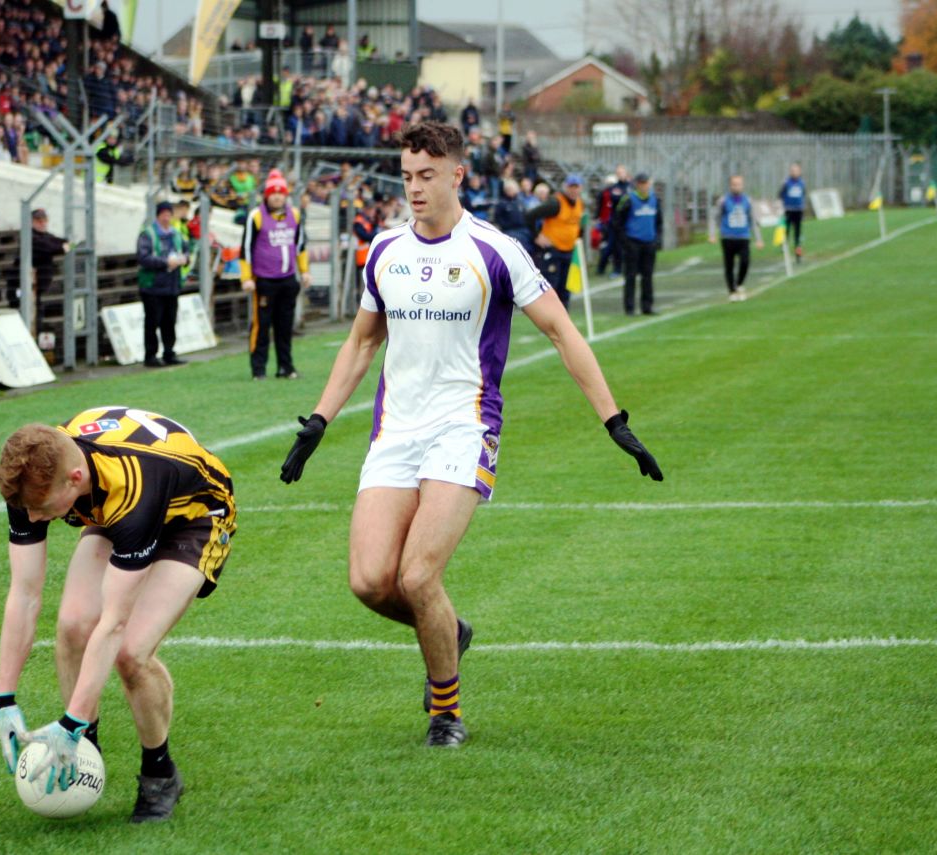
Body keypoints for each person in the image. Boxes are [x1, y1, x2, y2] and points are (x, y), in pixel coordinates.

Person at [278, 122, 663, 749]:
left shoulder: (496, 251)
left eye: (427, 176)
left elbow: (564, 334)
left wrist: (614, 420)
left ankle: (445, 712)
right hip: (395, 432)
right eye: (406, 177)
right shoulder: (385, 250)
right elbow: (362, 342)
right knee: (370, 581)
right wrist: (319, 421)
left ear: (459, 174)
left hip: (465, 427)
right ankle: (448, 629)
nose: (415, 189)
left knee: (418, 576)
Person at [0, 406, 237, 823]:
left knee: (130, 652)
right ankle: (87, 748)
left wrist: (70, 721)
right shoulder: (30, 478)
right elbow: (25, 593)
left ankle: (159, 773)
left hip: (197, 516)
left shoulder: (135, 488)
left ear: (74, 480)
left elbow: (114, 621)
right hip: (111, 507)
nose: (32, 518)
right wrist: (5, 700)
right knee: (72, 625)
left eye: (40, 509)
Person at [239, 169, 310, 380]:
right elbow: (245, 250)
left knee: (285, 326)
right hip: (264, 281)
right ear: (266, 195)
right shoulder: (256, 216)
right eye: (273, 192)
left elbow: (300, 246)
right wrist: (246, 278)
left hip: (288, 279)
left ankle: (285, 367)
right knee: (261, 327)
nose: (277, 196)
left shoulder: (294, 215)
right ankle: (258, 369)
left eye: (281, 192)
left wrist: (304, 271)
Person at [136, 201, 191, 368]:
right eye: (164, 214)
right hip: (153, 286)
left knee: (170, 321)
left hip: (172, 284)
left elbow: (187, 251)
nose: (167, 217)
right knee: (152, 321)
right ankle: (150, 355)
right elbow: (143, 258)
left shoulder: (176, 234)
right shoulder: (148, 235)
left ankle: (169, 352)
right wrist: (165, 262)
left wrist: (184, 259)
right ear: (158, 215)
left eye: (169, 214)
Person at [525, 173, 587, 309]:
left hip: (569, 250)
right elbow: (530, 215)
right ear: (566, 187)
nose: (574, 190)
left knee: (566, 287)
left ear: (581, 188)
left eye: (576, 187)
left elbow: (579, 224)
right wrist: (537, 236)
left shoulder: (580, 204)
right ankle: (549, 317)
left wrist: (578, 238)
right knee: (551, 287)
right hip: (553, 250)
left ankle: (564, 318)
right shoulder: (555, 203)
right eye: (571, 186)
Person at [7, 208, 70, 333]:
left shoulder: (45, 236)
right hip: (21, 286)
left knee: (36, 315)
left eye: (44, 220)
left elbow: (63, 243)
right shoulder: (30, 237)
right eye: (38, 220)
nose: (42, 223)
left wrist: (69, 246)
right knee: (25, 314)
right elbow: (51, 247)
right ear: (31, 222)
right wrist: (64, 248)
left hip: (36, 287)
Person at [611, 172, 662, 316]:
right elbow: (617, 222)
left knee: (648, 275)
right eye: (641, 183)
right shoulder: (628, 199)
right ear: (637, 184)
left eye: (646, 183)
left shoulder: (654, 199)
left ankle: (647, 306)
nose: (644, 186)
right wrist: (626, 241)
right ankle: (630, 307)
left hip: (649, 242)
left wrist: (656, 238)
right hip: (633, 242)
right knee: (631, 275)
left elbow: (659, 221)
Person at [708, 175, 763, 302]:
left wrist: (758, 239)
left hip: (743, 236)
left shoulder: (748, 201)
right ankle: (732, 291)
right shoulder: (723, 201)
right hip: (728, 237)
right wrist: (712, 234)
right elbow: (714, 217)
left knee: (745, 262)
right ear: (730, 185)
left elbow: (753, 220)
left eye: (739, 184)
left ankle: (739, 284)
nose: (736, 186)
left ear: (742, 185)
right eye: (734, 184)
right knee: (729, 265)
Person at [595, 165, 629, 277]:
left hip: (628, 223)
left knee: (625, 247)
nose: (620, 174)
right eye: (618, 172)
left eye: (622, 172)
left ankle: (625, 267)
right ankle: (609, 268)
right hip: (614, 223)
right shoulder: (613, 189)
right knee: (612, 246)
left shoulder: (630, 187)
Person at [780, 162, 805, 262]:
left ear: (799, 172)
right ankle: (785, 251)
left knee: (798, 234)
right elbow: (781, 194)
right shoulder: (786, 183)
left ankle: (798, 253)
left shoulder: (802, 183)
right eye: (792, 170)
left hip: (798, 211)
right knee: (786, 231)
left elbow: (803, 194)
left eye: (796, 170)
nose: (794, 172)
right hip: (788, 210)